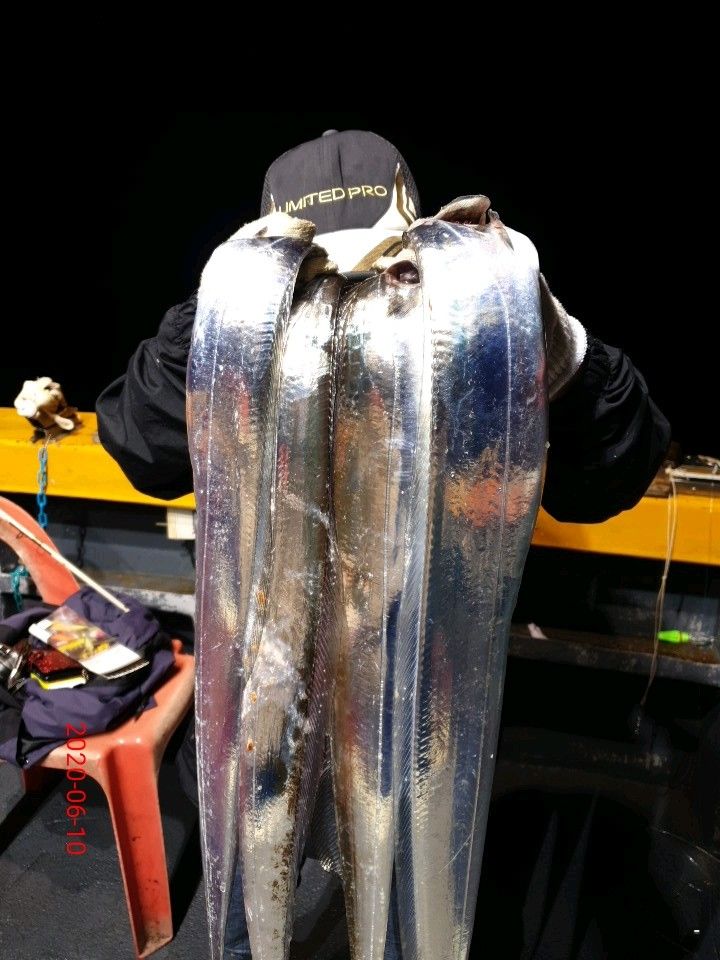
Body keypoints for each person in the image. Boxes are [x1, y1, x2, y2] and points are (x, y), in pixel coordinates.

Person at [96, 130, 672, 960]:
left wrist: (547, 338)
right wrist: (220, 312)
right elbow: (138, 444)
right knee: (256, 896)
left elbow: (619, 467)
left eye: (372, 268)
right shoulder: (232, 337)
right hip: (265, 693)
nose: (345, 293)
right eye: (321, 274)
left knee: (409, 906)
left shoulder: (467, 336)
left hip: (417, 696)